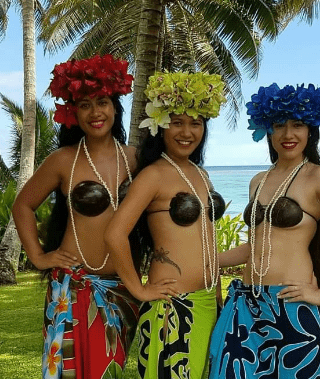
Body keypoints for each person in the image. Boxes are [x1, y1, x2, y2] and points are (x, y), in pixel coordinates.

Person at [208, 83, 320, 379]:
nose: (288, 134)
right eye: (279, 125)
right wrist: (207, 259)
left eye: (298, 124)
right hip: (246, 302)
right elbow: (255, 246)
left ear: (311, 129)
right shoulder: (259, 180)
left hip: (292, 306)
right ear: (267, 129)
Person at [12, 55, 142, 378]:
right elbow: (22, 205)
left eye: (102, 102)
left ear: (115, 106)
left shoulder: (135, 159)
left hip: (120, 293)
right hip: (73, 291)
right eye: (85, 104)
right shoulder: (63, 160)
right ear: (73, 112)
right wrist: (40, 257)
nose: (95, 112)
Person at [104, 71, 228, 379]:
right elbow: (115, 233)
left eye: (195, 123)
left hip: (206, 303)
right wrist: (138, 289)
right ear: (161, 126)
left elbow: (205, 239)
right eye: (177, 122)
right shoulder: (154, 175)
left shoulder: (200, 175)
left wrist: (216, 297)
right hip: (172, 307)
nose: (187, 131)